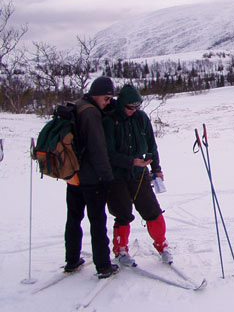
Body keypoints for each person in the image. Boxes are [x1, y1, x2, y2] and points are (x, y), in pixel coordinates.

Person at [103, 84, 173, 267]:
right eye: (130, 107)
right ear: (122, 104)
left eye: (137, 106)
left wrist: (156, 169)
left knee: (152, 210)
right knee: (123, 214)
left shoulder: (141, 118)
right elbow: (108, 153)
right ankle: (120, 250)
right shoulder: (110, 121)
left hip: (139, 174)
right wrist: (131, 161)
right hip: (117, 176)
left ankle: (162, 244)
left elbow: (151, 145)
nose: (134, 110)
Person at [64, 76, 119, 278]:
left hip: (73, 176)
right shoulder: (91, 114)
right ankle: (103, 266)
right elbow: (97, 149)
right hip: (92, 178)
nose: (107, 102)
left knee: (73, 218)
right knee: (97, 222)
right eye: (106, 98)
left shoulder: (77, 106)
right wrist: (107, 177)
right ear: (97, 94)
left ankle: (72, 260)